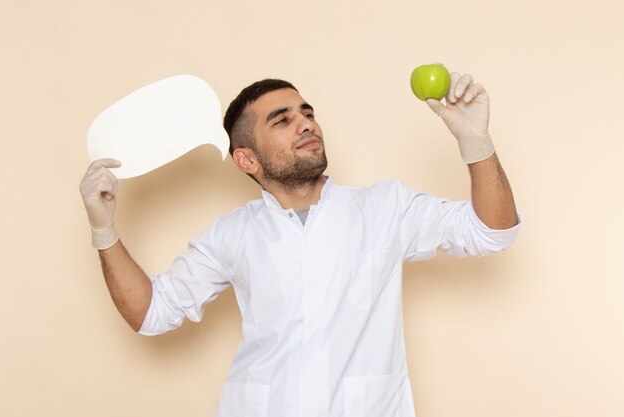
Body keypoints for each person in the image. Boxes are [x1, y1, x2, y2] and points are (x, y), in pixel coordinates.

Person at [79, 71, 520, 417]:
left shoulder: (387, 208)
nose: (306, 123)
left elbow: (493, 231)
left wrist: (474, 140)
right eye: (283, 120)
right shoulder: (230, 235)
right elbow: (152, 312)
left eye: (306, 112)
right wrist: (104, 229)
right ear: (247, 159)